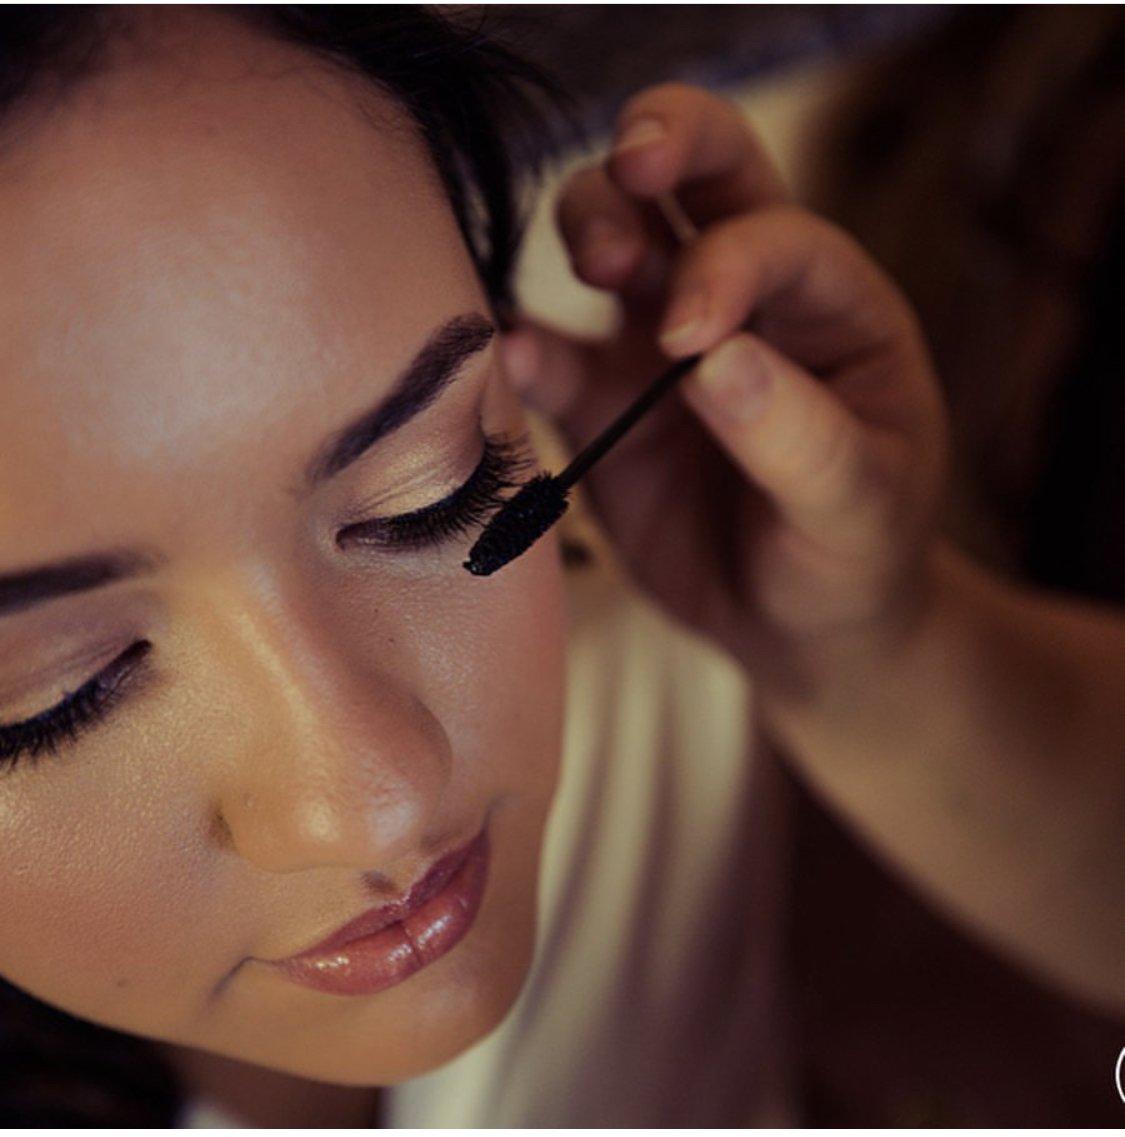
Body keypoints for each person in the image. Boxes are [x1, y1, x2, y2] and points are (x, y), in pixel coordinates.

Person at [0, 6, 1120, 1127]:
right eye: (61, 692)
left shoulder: (668, 706)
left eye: (429, 491)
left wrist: (876, 649)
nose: (383, 799)